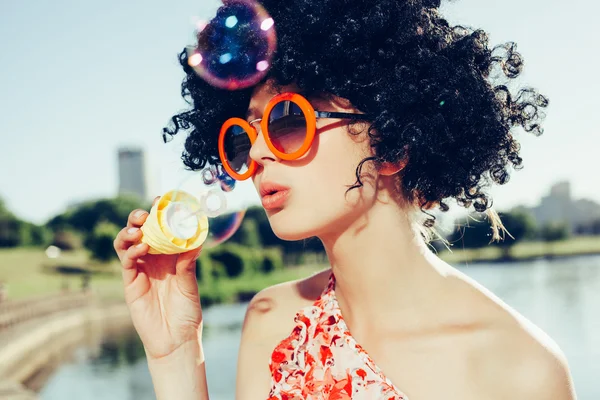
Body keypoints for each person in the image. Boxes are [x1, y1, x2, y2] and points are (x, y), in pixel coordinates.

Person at [114, 0, 577, 398]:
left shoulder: (522, 371)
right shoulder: (272, 322)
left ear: (393, 144)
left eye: (288, 119)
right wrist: (174, 354)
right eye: (244, 134)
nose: (256, 153)